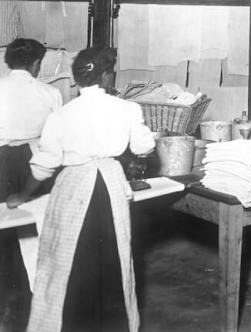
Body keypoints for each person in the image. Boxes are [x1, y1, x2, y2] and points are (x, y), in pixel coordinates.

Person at [7, 46, 155, 332]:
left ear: (77, 80)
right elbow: (144, 147)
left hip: (72, 189)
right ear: (107, 77)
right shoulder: (127, 109)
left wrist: (23, 195)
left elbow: (44, 165)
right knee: (115, 258)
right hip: (110, 186)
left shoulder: (62, 114)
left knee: (68, 261)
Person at [0, 38, 62, 330]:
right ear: (36, 63)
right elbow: (54, 141)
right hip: (32, 164)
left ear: (7, 61)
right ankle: (33, 305)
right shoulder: (50, 93)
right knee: (34, 233)